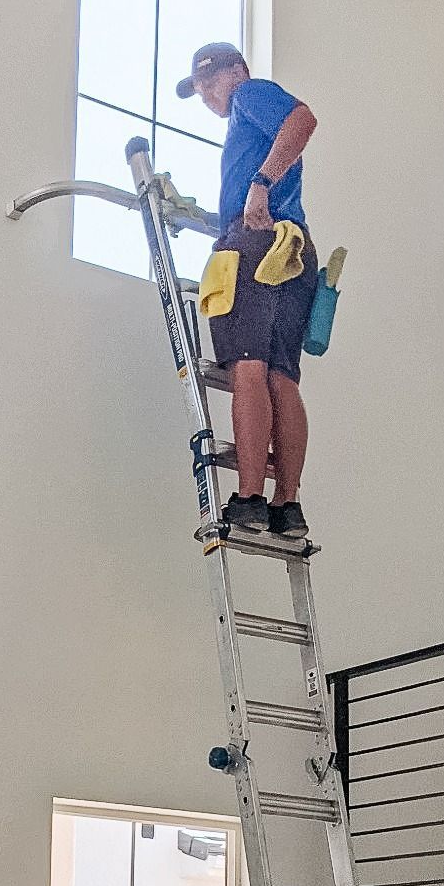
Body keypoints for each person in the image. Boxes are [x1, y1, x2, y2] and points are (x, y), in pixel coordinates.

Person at [176, 43, 319, 540]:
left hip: (256, 242)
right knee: (282, 376)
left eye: (210, 82)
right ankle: (288, 505)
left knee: (248, 367)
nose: (209, 96)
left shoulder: (250, 96)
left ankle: (252, 497)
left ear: (237, 71)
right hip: (293, 248)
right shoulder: (247, 125)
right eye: (201, 90)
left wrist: (259, 185)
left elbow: (302, 120)